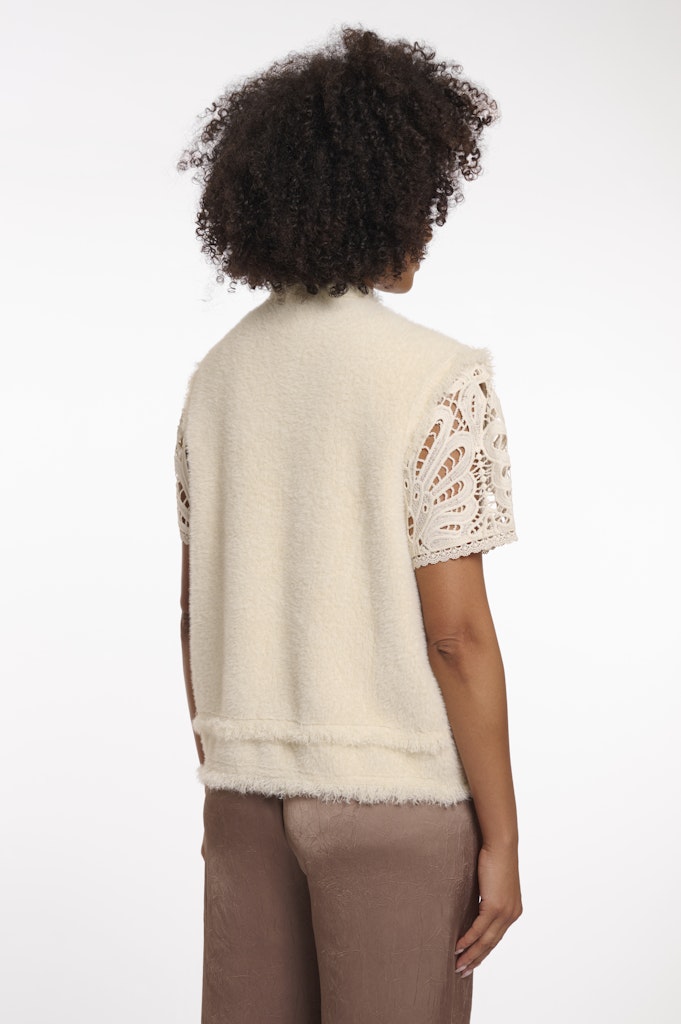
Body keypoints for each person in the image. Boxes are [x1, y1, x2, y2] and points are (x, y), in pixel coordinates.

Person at [174, 24, 522, 1024]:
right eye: (423, 203)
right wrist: (501, 837)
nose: (429, 229)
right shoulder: (434, 379)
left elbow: (193, 614)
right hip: (395, 807)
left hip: (244, 799)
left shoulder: (217, 381)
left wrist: (233, 765)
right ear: (384, 201)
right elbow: (456, 637)